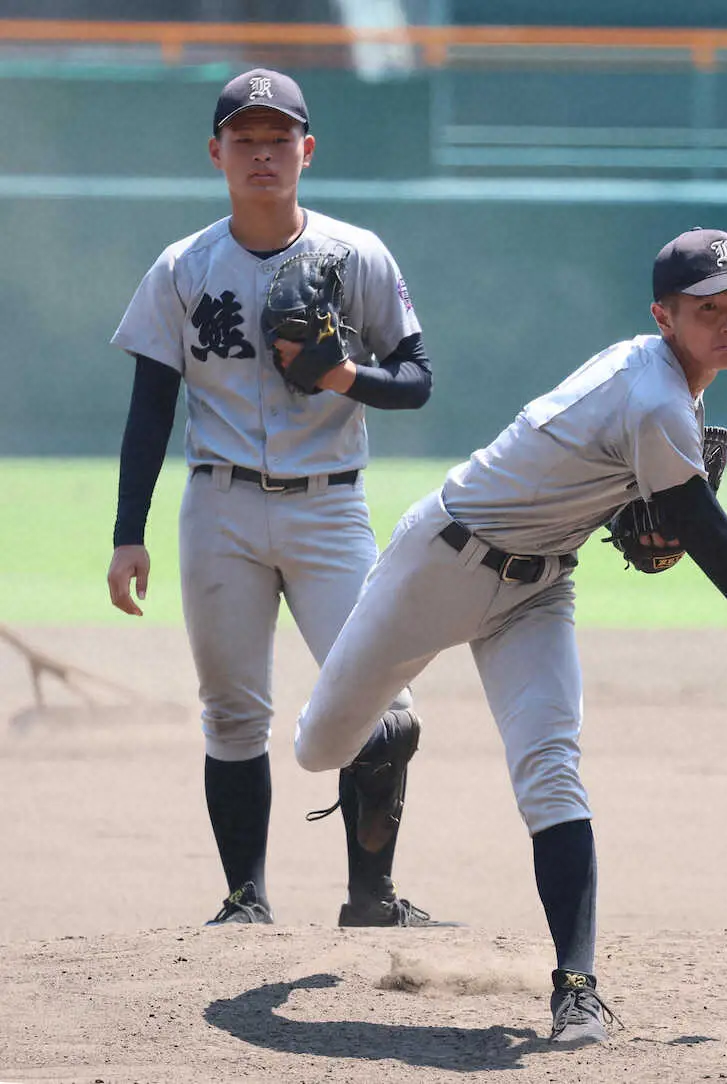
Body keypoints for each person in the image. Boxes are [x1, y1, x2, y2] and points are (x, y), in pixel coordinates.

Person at [291, 227, 727, 1044]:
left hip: (537, 588)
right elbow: (712, 541)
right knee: (319, 748)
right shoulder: (654, 397)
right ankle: (383, 735)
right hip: (439, 566)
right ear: (663, 316)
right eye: (709, 309)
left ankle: (576, 987)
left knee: (552, 774)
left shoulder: (668, 384)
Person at [106, 68, 440, 930]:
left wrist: (343, 374)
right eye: (245, 139)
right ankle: (245, 898)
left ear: (307, 150)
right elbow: (150, 408)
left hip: (330, 507)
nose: (263, 153)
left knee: (383, 704)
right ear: (216, 153)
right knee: (232, 710)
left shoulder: (355, 254)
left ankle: (371, 899)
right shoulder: (183, 267)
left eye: (278, 138)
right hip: (218, 507)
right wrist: (127, 532)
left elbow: (416, 380)